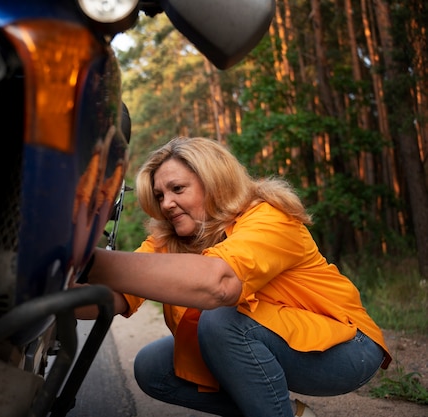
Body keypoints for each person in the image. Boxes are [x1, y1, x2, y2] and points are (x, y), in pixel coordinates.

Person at [79, 136, 392, 417]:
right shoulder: (169, 240)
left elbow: (220, 284)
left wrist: (83, 259)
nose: (167, 204)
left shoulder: (268, 216)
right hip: (273, 339)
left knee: (221, 320)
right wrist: (50, 289)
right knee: (153, 367)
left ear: (214, 182)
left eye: (177, 189)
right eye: (160, 196)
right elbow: (115, 297)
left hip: (348, 350)